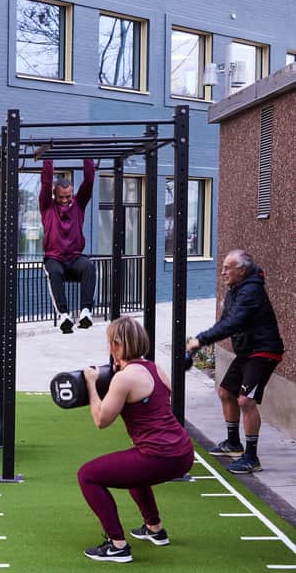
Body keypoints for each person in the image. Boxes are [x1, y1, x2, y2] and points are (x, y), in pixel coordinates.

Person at [77, 316, 194, 564]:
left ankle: (117, 545)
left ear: (117, 345)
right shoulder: (155, 368)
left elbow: (101, 420)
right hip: (183, 453)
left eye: (110, 343)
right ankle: (155, 529)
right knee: (133, 469)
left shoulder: (125, 378)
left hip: (160, 456)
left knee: (87, 475)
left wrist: (91, 384)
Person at [186, 249, 283, 474]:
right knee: (225, 392)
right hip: (247, 351)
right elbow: (226, 321)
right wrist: (204, 340)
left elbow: (233, 323)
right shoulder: (235, 290)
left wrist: (199, 340)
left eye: (228, 268)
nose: (223, 272)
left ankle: (251, 457)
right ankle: (233, 443)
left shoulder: (251, 292)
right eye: (223, 267)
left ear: (242, 270)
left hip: (264, 350)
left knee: (246, 401)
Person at [40, 158, 96, 333]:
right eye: (61, 197)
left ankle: (85, 312)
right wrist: (47, 157)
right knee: (54, 272)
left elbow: (89, 181)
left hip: (74, 258)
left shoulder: (79, 204)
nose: (65, 200)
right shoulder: (47, 206)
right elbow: (46, 181)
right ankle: (64, 315)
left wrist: (87, 156)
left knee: (89, 267)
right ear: (54, 195)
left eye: (68, 196)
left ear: (73, 194)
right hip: (54, 258)